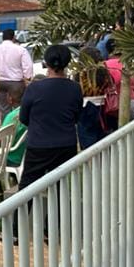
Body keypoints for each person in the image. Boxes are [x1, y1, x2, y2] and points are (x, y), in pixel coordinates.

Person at [18, 45, 83, 190]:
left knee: (27, 188)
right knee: (62, 187)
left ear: (46, 63)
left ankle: (20, 214)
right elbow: (77, 116)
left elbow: (23, 118)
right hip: (66, 145)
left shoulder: (34, 88)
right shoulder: (75, 88)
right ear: (67, 63)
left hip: (39, 145)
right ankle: (58, 213)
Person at [75, 46, 113, 150]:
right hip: (103, 107)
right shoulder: (103, 72)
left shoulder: (80, 74)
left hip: (86, 108)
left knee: (88, 143)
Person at [0, 29, 33, 117]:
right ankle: (18, 128)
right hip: (16, 82)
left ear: (2, 38)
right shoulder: (20, 49)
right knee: (18, 107)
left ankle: (5, 128)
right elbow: (28, 66)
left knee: (3, 108)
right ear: (13, 37)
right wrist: (27, 78)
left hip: (0, 82)